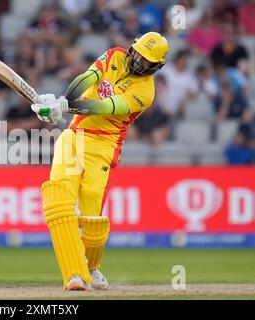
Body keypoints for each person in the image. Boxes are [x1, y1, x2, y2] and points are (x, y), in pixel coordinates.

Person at [30, 32, 169, 290]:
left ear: (156, 67)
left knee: (92, 220)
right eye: (138, 53)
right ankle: (74, 274)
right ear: (132, 47)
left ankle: (91, 267)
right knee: (58, 202)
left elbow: (104, 107)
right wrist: (63, 100)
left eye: (146, 60)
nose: (138, 60)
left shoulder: (145, 92)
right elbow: (86, 79)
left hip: (104, 147)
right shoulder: (115, 54)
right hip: (74, 135)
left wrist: (63, 106)